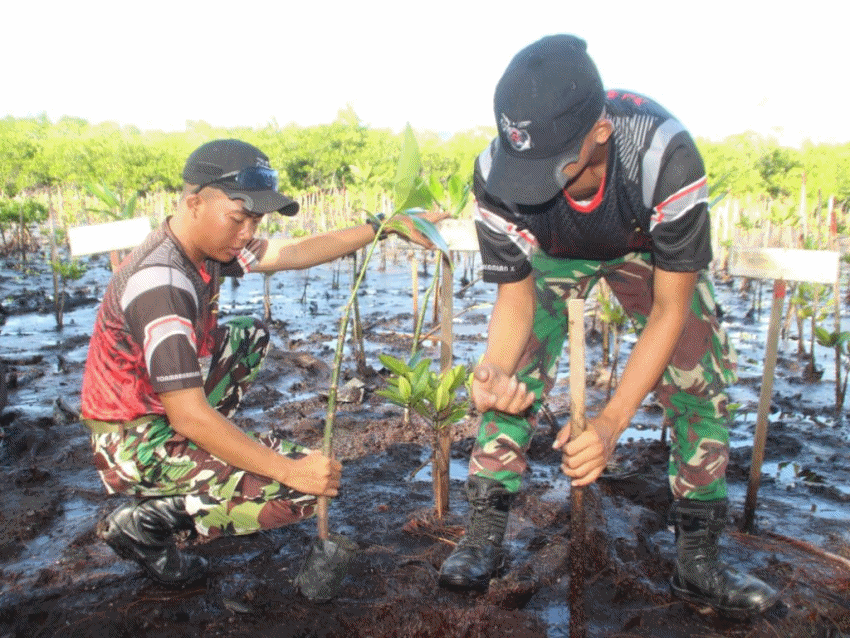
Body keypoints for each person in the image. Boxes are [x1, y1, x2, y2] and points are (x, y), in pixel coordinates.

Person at [437, 34, 778, 617]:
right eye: (524, 167)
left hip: (642, 248)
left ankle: (697, 562)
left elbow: (671, 308)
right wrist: (490, 372)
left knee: (699, 372)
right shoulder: (498, 171)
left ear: (600, 132)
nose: (531, 184)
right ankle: (484, 535)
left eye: (550, 168)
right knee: (511, 374)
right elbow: (515, 303)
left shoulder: (663, 157)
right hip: (553, 251)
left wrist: (611, 423)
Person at [81, 138, 445, 586]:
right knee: (300, 492)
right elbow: (189, 415)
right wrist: (289, 469)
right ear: (194, 203)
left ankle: (201, 464)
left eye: (255, 219)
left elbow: (292, 253)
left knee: (247, 336)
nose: (248, 232)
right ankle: (147, 522)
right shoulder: (162, 286)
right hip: (129, 442)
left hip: (156, 406)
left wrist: (384, 227)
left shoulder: (204, 249)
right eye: (239, 217)